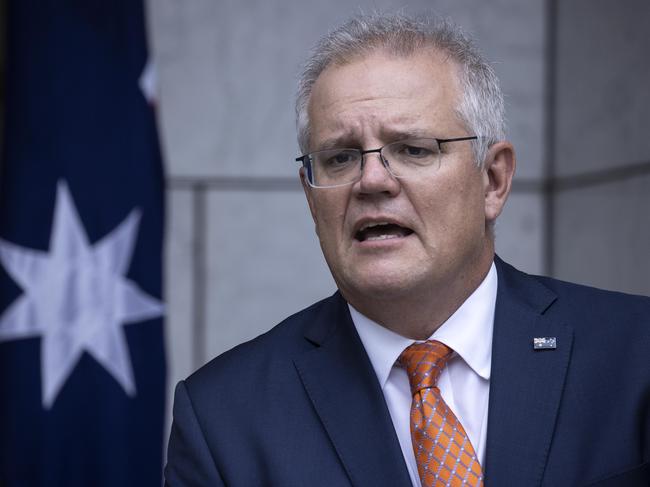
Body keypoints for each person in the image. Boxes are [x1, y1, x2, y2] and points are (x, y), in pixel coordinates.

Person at [164, 13, 650, 487]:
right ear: (311, 197)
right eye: (339, 158)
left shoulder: (635, 354)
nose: (371, 180)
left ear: (493, 180)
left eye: (414, 149)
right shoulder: (223, 418)